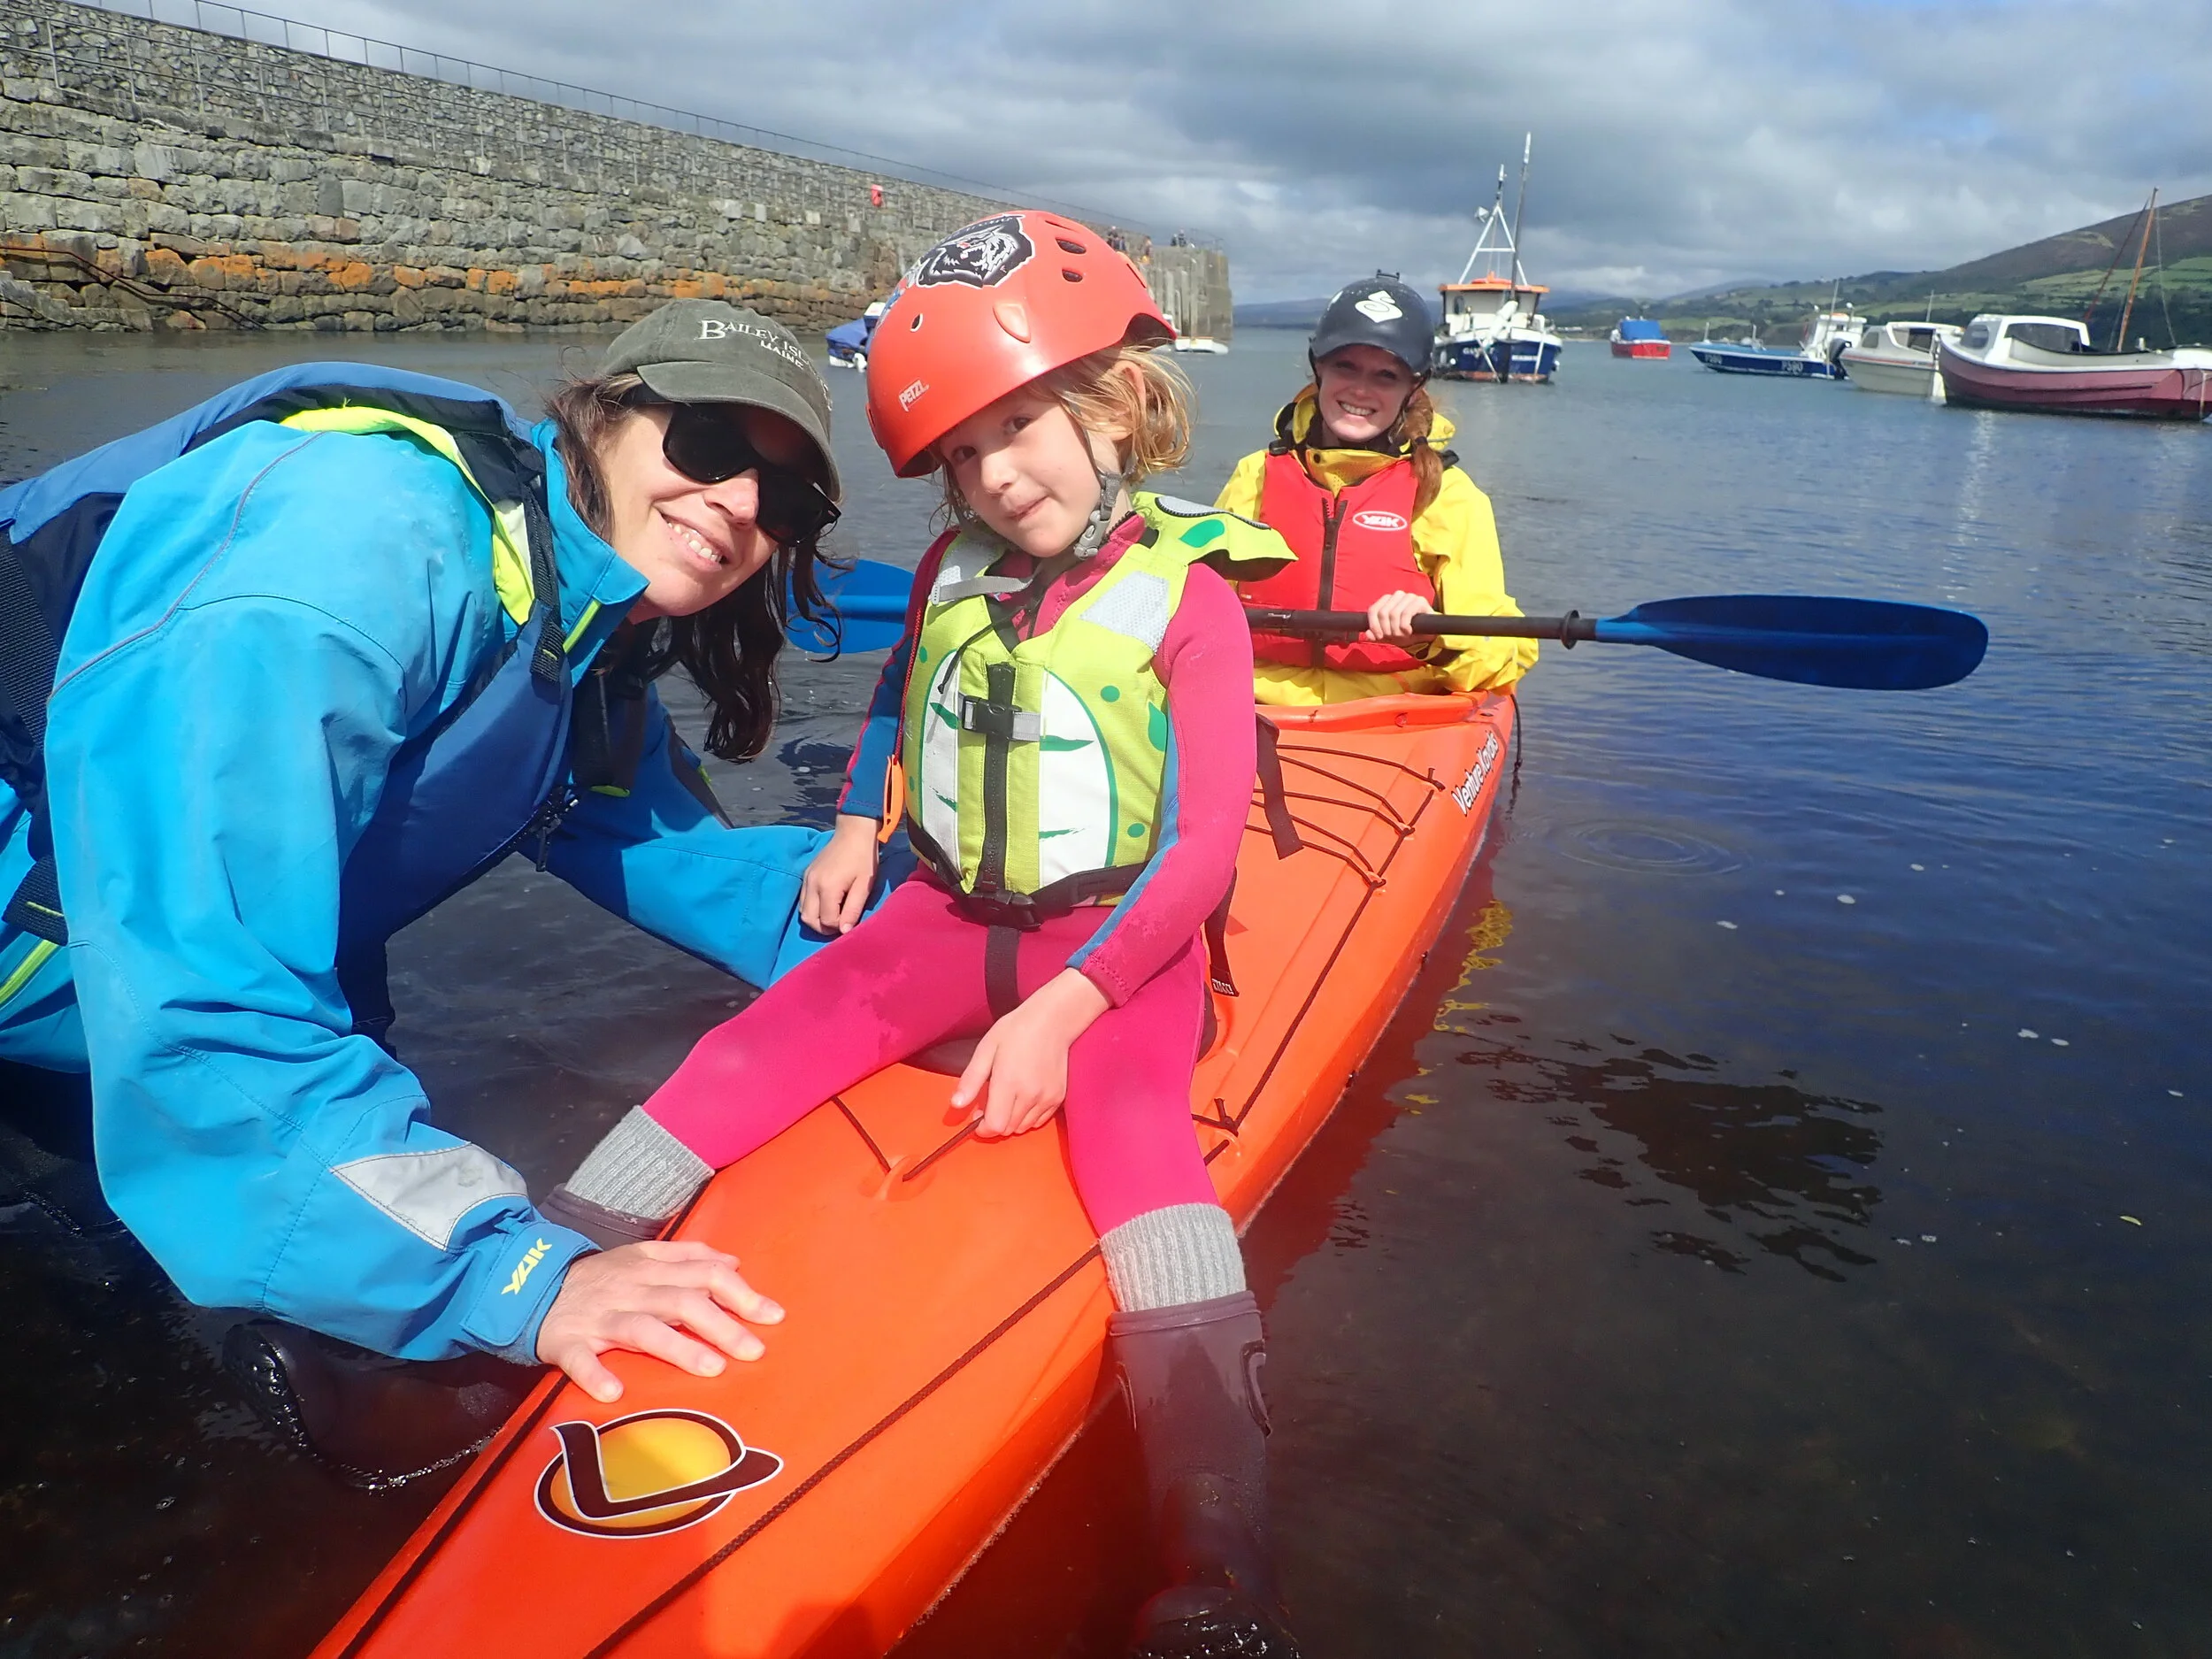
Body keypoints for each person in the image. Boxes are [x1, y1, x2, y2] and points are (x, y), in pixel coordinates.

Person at [544, 211, 1304, 1657]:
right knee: (747, 1050)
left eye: (1017, 426)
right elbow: (903, 692)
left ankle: (1220, 1565)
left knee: (1140, 1158)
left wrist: (1067, 1012)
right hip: (945, 914)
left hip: (1115, 948)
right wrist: (851, 826)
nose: (994, 473)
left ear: (1114, 407)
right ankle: (527, 1291)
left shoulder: (1191, 604)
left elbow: (1204, 849)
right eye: (961, 453)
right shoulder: (955, 567)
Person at [0, 301, 857, 1473]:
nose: (743, 503)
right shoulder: (352, 549)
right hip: (102, 982)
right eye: (710, 442)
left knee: (128, 1337)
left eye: (790, 500)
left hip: (90, 1009)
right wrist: (516, 1275)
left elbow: (680, 856)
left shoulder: (571, 618)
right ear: (602, 413)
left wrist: (962, 952)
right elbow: (196, 985)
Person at [1220, 272, 1539, 703]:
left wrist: (1430, 637)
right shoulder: (1256, 473)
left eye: (1386, 375)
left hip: (1392, 714)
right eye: (1345, 366)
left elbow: (1507, 651)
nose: (1360, 390)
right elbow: (1197, 602)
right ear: (1318, 367)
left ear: (1414, 385)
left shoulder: (1448, 495)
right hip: (1254, 707)